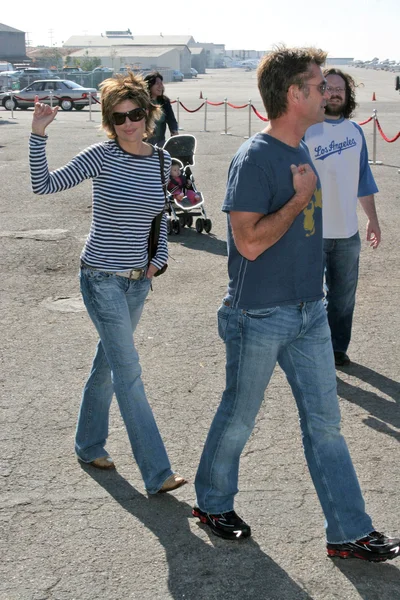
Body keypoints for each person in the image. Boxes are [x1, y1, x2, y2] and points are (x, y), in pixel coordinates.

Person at [192, 47, 399, 562]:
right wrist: (299, 200)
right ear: (294, 95)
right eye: (315, 83)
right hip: (258, 313)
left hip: (310, 311)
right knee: (239, 417)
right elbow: (249, 242)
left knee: (325, 424)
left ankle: (349, 533)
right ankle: (212, 503)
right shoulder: (257, 157)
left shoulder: (306, 149)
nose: (326, 91)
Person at [29, 72, 186, 494]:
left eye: (135, 114)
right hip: (100, 279)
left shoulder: (160, 160)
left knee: (107, 367)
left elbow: (162, 215)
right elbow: (43, 185)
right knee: (128, 372)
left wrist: (159, 259)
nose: (129, 123)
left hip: (138, 282)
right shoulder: (101, 156)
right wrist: (38, 135)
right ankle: (157, 472)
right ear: (109, 122)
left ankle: (87, 443)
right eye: (119, 118)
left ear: (148, 114)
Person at [304, 69, 381, 367]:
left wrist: (372, 220)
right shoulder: (308, 130)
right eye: (329, 88)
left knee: (343, 298)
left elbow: (363, 181)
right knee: (311, 297)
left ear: (347, 95)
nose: (334, 93)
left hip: (347, 233)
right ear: (320, 92)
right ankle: (314, 348)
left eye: (340, 89)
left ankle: (336, 348)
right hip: (312, 232)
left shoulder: (355, 132)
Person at [144, 71, 179, 146]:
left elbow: (171, 119)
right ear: (149, 85)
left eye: (161, 83)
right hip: (144, 143)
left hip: (160, 142)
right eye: (157, 84)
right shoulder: (142, 102)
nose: (161, 86)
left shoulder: (164, 101)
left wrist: (174, 131)